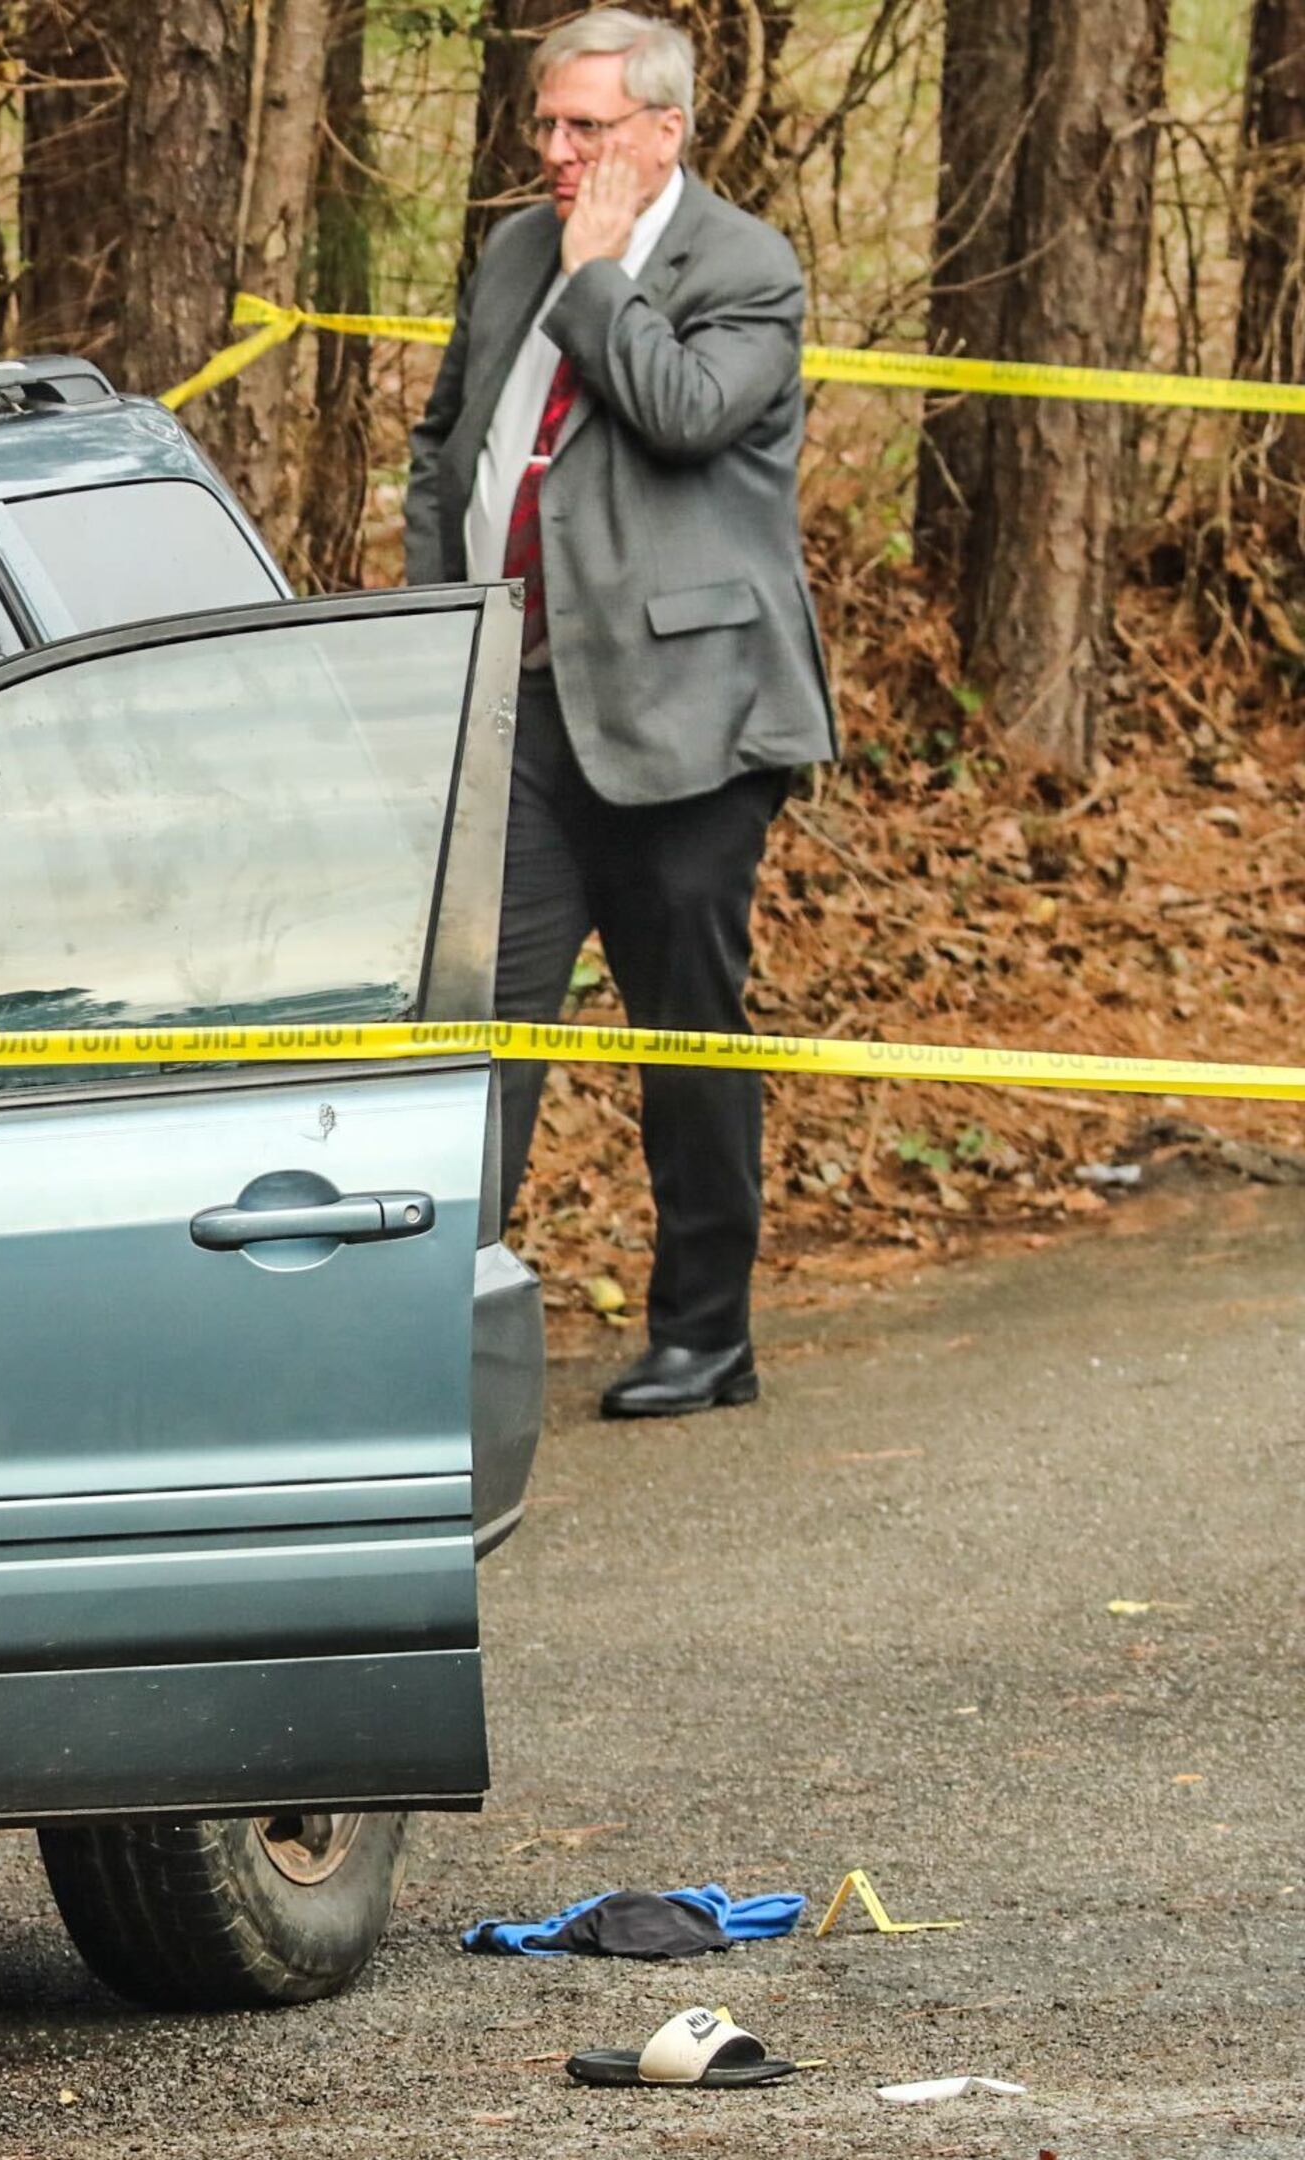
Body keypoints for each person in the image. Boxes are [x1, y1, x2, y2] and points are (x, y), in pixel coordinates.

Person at [403, 6, 835, 1419]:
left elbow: (684, 411)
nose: (556, 153)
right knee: (485, 1031)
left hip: (688, 724)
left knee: (684, 1033)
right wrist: (439, 632)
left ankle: (708, 1332)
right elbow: (449, 442)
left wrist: (599, 280)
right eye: (546, 125)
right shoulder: (515, 248)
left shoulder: (747, 268)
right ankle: (440, 1341)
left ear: (665, 131)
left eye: (586, 128)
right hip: (515, 710)